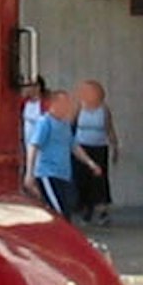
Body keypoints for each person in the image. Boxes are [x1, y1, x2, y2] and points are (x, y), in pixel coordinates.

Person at [20, 80, 78, 218]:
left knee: (62, 207)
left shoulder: (58, 120)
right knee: (57, 209)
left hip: (56, 164)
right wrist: (29, 172)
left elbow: (73, 145)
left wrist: (90, 162)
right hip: (42, 162)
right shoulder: (30, 109)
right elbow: (32, 144)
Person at [71, 78, 118, 228]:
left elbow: (109, 129)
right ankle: (86, 209)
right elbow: (71, 125)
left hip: (99, 146)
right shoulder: (79, 107)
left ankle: (102, 210)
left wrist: (115, 146)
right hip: (82, 146)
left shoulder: (104, 109)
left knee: (99, 179)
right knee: (83, 178)